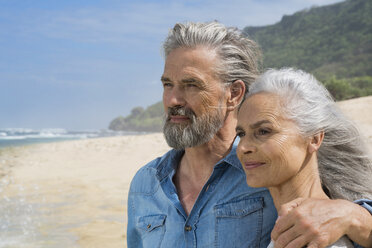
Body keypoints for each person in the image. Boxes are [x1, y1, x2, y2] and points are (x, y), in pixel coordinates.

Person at [127, 21, 372, 248]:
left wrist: (353, 215)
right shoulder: (145, 184)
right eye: (167, 84)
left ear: (234, 93)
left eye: (191, 85)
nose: (172, 100)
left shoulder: (268, 166)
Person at [236, 68, 372, 248]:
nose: (243, 147)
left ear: (314, 139)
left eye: (263, 131)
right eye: (241, 134)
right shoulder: (287, 228)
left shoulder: (323, 236)